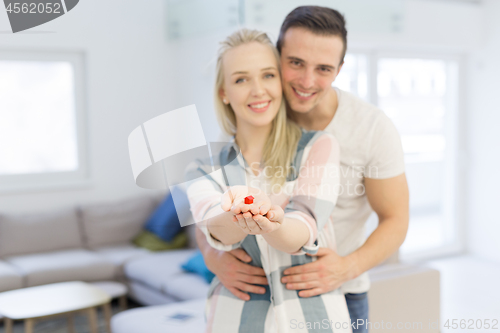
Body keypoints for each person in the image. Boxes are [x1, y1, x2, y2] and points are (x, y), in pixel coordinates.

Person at [196, 6, 410, 333]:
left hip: (335, 286)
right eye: (296, 63)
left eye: (323, 69)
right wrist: (212, 254)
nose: (307, 81)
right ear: (278, 57)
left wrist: (345, 268)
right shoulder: (257, 113)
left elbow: (396, 220)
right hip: (257, 291)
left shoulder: (370, 129)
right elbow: (208, 203)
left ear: (338, 70)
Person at [186, 28, 352, 332]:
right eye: (241, 79)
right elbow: (214, 227)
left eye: (267, 75)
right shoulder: (200, 168)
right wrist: (243, 213)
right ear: (224, 92)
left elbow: (304, 227)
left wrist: (270, 220)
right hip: (234, 320)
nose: (258, 90)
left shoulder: (319, 146)